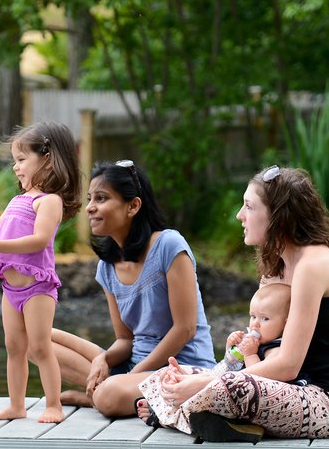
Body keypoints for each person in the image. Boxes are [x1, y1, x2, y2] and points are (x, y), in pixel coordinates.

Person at [142, 165, 329, 443]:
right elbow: (256, 346)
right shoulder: (276, 268)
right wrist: (202, 375)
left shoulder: (313, 265)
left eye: (249, 207)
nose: (240, 216)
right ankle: (203, 414)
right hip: (283, 388)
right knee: (165, 377)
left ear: (279, 217)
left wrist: (206, 384)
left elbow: (288, 365)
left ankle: (177, 412)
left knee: (231, 388)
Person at [48, 160, 216, 418]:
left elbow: (185, 329)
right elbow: (126, 340)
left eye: (101, 198)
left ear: (133, 206)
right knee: (33, 338)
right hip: (135, 366)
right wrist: (102, 360)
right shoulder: (106, 267)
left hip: (182, 369)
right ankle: (108, 392)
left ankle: (99, 396)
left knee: (110, 394)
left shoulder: (169, 246)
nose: (90, 208)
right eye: (90, 198)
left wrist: (132, 376)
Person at [0, 122, 82, 423]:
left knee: (40, 346)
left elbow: (39, 240)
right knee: (14, 346)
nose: (15, 168)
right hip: (11, 289)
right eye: (14, 161)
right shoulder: (16, 200)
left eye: (21, 160)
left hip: (37, 288)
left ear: (46, 158)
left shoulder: (49, 201)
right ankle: (16, 405)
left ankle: (53, 405)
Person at [138, 282, 291, 429]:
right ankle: (171, 396)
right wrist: (231, 349)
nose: (255, 324)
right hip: (221, 380)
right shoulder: (257, 341)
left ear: (286, 323)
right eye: (253, 316)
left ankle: (166, 415)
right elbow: (231, 366)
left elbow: (259, 381)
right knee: (171, 376)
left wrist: (250, 354)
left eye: (265, 318)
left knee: (200, 396)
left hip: (241, 398)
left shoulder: (277, 349)